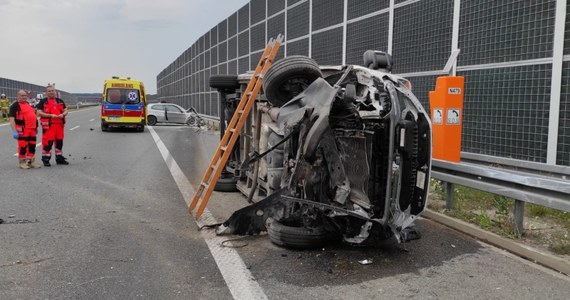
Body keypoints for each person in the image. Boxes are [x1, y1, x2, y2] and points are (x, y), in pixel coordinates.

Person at [36, 84, 69, 166]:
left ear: (55, 92)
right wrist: (50, 115)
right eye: (49, 91)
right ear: (46, 93)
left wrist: (63, 114)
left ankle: (59, 158)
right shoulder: (43, 101)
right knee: (48, 143)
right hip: (49, 126)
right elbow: (39, 112)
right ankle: (46, 159)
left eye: (52, 91)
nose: (51, 92)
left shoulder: (60, 101)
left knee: (59, 143)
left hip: (59, 126)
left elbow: (66, 110)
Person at [9, 90, 41, 169]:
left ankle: (31, 162)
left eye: (25, 95)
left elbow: (33, 115)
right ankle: (22, 163)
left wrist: (36, 127)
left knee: (32, 146)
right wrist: (14, 131)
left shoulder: (28, 104)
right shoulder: (14, 106)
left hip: (32, 129)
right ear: (18, 96)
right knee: (23, 146)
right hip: (23, 130)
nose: (24, 97)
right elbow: (11, 119)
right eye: (22, 95)